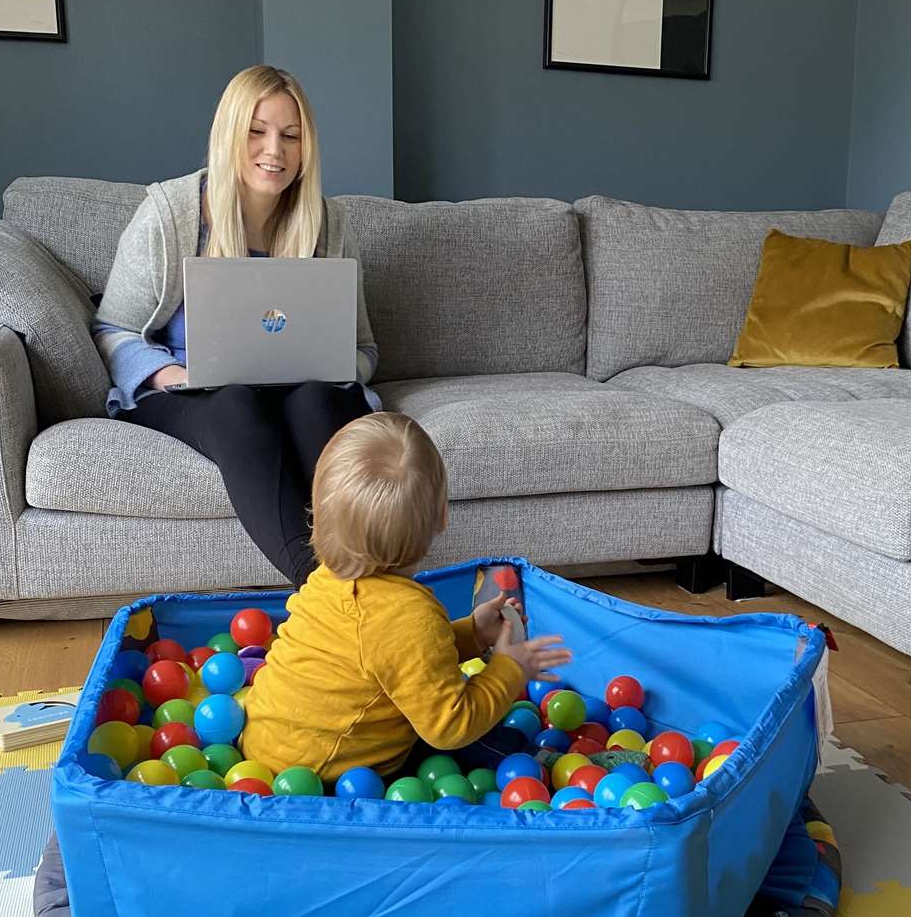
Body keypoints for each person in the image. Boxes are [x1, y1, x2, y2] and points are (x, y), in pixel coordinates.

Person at [92, 65, 378, 588]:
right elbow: (112, 328)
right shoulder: (169, 214)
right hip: (198, 392)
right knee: (236, 402)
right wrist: (168, 375)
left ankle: (360, 587)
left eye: (291, 135)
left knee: (316, 399)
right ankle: (327, 592)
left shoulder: (329, 223)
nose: (276, 149)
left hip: (301, 389)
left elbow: (363, 348)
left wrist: (336, 364)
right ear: (229, 134)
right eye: (257, 130)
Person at [242, 412, 572, 783]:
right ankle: (553, 769)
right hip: (321, 778)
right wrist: (511, 668)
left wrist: (474, 634)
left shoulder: (328, 578)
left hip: (263, 747)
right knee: (492, 744)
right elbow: (450, 725)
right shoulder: (411, 616)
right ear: (442, 516)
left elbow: (390, 658)